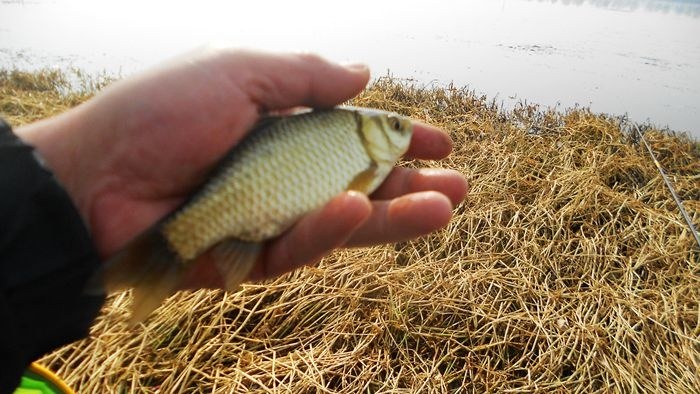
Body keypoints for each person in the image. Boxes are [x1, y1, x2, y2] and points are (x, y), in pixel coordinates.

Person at [0, 48, 468, 392]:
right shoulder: (360, 148)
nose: (401, 135)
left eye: (398, 128)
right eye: (394, 127)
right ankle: (153, 257)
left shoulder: (364, 150)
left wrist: (64, 183)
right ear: (373, 131)